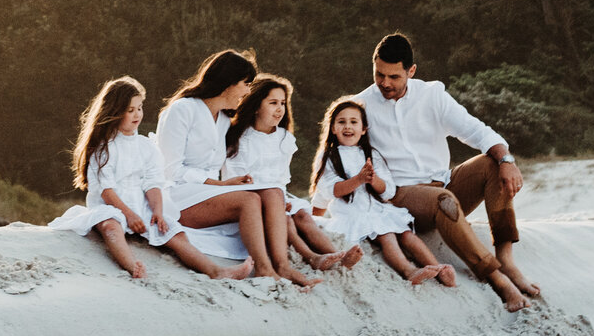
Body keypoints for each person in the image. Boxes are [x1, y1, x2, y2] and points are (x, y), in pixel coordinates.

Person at [353, 32, 535, 311]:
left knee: (491, 163)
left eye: (394, 77)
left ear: (411, 71)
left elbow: (475, 130)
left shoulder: (432, 95)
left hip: (445, 183)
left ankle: (506, 258)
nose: (384, 83)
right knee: (443, 201)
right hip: (403, 197)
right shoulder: (362, 105)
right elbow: (339, 154)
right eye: (379, 74)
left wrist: (506, 160)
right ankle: (495, 276)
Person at [48, 77, 248, 280]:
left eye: (140, 108)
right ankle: (131, 264)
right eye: (130, 110)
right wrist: (128, 215)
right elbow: (106, 190)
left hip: (140, 203)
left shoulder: (146, 146)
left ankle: (216, 270)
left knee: (173, 232)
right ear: (115, 113)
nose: (137, 115)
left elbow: (153, 183)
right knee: (110, 225)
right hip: (111, 204)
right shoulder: (104, 149)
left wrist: (158, 211)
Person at [156, 48, 310, 289]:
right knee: (249, 202)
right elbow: (169, 170)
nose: (248, 91)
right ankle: (263, 268)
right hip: (177, 195)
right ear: (228, 83)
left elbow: (254, 147)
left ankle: (283, 266)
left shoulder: (225, 119)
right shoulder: (182, 109)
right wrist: (220, 185)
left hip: (207, 193)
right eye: (245, 84)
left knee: (273, 194)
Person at [307, 95, 454, 288]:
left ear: (363, 128)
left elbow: (388, 191)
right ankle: (408, 270)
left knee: (407, 235)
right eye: (341, 122)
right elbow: (329, 190)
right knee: (388, 236)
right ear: (333, 128)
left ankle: (437, 268)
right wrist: (358, 179)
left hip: (377, 210)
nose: (348, 127)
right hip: (353, 214)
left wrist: (374, 180)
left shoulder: (371, 155)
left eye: (354, 122)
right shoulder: (329, 157)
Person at [222, 76, 355, 277]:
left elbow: (282, 177)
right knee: (287, 221)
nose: (280, 109)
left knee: (302, 215)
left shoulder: (284, 139)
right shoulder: (241, 139)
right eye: (273, 103)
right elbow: (236, 178)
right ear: (256, 106)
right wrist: (274, 201)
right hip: (253, 197)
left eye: (283, 103)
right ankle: (311, 256)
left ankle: (336, 254)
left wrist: (282, 198)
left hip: (279, 194)